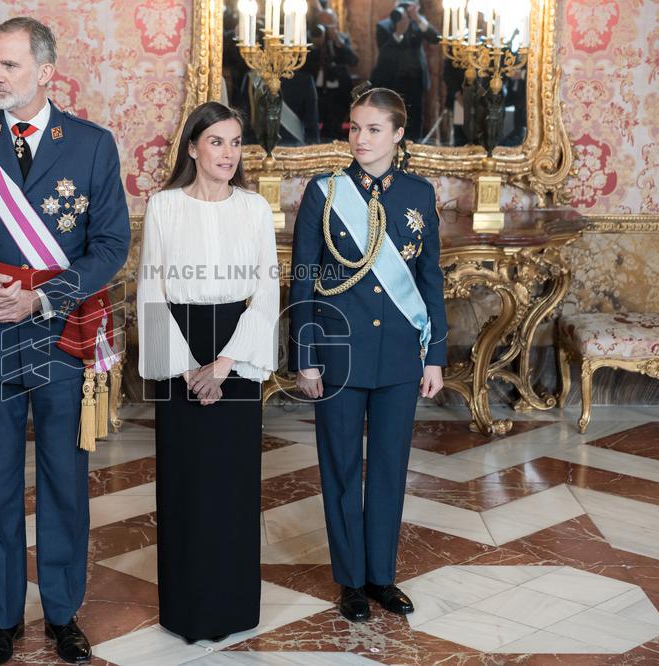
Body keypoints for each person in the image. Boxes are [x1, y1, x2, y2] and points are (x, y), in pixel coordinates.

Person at [0, 17, 130, 665]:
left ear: (45, 72)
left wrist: (44, 297)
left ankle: (64, 614)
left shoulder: (92, 146)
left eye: (9, 65)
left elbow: (111, 245)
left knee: (65, 480)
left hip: (61, 336)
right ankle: (5, 618)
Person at [288, 87, 447, 622]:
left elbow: (429, 279)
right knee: (339, 466)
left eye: (374, 129)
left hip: (400, 353)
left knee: (389, 467)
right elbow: (303, 277)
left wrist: (435, 355)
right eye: (355, 128)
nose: (361, 139)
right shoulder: (325, 192)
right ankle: (351, 581)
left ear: (398, 135)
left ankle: (382, 575)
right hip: (339, 352)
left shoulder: (419, 194)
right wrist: (306, 353)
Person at [137, 101, 279, 643]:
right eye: (216, 141)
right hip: (180, 351)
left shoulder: (255, 209)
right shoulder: (164, 206)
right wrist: (187, 370)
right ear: (193, 147)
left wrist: (224, 365)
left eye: (235, 142)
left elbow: (266, 292)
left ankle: (233, 607)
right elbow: (151, 293)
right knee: (186, 484)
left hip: (236, 350)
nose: (228, 153)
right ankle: (187, 610)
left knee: (231, 485)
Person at [370, 1, 440, 141]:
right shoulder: (384, 26)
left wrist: (417, 18)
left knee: (416, 115)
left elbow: (435, 38)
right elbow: (384, 54)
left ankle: (415, 144)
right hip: (393, 81)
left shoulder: (417, 23)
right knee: (393, 115)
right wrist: (398, 34)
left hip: (416, 79)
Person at [312, 9, 359, 140]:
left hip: (338, 92)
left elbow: (353, 61)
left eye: (329, 24)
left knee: (334, 130)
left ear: (336, 24)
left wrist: (338, 42)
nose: (326, 28)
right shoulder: (313, 38)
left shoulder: (342, 38)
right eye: (323, 24)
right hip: (316, 91)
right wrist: (317, 45)